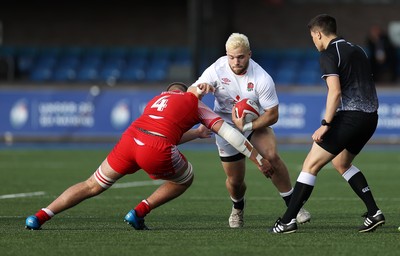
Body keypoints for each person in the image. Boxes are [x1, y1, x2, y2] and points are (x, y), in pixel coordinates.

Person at [25, 82, 273, 230]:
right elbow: (230, 134)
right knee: (184, 179)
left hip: (130, 139)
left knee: (92, 184)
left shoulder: (156, 101)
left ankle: (40, 216)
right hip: (155, 147)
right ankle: (139, 211)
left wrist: (195, 134)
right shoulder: (195, 102)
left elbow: (164, 131)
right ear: (186, 91)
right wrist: (258, 159)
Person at [269, 14, 385, 234]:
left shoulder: (328, 54)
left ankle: (287, 221)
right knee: (341, 163)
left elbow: (335, 92)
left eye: (312, 36)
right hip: (371, 117)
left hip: (351, 117)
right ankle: (374, 212)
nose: (313, 41)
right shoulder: (358, 49)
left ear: (318, 33)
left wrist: (326, 123)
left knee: (310, 165)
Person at [188, 33, 311, 228]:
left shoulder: (262, 78)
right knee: (235, 181)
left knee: (271, 156)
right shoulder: (217, 68)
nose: (235, 61)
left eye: (241, 57)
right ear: (226, 54)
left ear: (249, 54)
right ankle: (237, 207)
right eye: (231, 57)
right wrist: (200, 89)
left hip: (255, 123)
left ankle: (293, 206)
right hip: (225, 126)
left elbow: (273, 115)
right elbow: (191, 93)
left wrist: (247, 126)